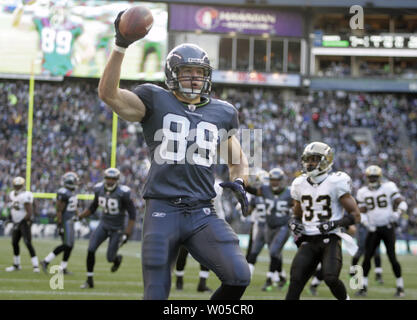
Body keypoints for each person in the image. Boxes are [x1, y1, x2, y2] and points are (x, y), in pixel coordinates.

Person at [97, 12, 251, 300]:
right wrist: (120, 46)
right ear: (172, 74)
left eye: (200, 73)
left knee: (239, 276)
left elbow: (238, 160)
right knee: (156, 291)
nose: (194, 78)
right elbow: (109, 94)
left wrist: (240, 181)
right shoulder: (155, 99)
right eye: (187, 72)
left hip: (202, 211)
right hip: (162, 209)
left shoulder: (224, 112)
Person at [285, 142, 361, 300]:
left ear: (326, 160)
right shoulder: (299, 184)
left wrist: (335, 224)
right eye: (308, 159)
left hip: (330, 238)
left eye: (315, 159)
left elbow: (355, 215)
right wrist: (294, 222)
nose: (310, 163)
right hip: (308, 239)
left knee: (331, 278)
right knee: (295, 282)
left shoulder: (336, 182)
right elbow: (297, 214)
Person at [77, 168, 137, 289]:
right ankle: (89, 280)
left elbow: (132, 214)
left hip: (117, 228)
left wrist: (128, 232)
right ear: (105, 178)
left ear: (117, 180)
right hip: (104, 224)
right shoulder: (98, 189)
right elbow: (93, 207)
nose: (110, 181)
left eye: (113, 179)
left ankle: (116, 259)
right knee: (91, 249)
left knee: (110, 258)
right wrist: (81, 215)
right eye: (108, 178)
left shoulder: (123, 192)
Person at [355, 165, 407, 297]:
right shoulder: (362, 192)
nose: (372, 179)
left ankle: (400, 287)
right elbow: (362, 212)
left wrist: (398, 213)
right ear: (367, 178)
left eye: (375, 177)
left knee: (392, 257)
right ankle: (363, 287)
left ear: (379, 177)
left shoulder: (389, 187)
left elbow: (402, 203)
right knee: (366, 259)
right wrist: (366, 223)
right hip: (373, 229)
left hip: (387, 227)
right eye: (370, 177)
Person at [246, 168, 293, 291]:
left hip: (283, 226)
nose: (274, 183)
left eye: (277, 180)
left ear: (282, 180)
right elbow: (254, 191)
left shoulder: (289, 192)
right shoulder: (265, 190)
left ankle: (269, 279)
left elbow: (299, 207)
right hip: (268, 226)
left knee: (273, 251)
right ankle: (280, 277)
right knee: (272, 253)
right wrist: (242, 185)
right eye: (272, 180)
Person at [41, 172, 79, 275]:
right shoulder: (64, 192)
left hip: (70, 222)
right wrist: (60, 224)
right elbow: (59, 210)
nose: (76, 183)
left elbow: (74, 207)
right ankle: (46, 261)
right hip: (65, 222)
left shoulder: (71, 192)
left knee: (70, 245)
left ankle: (62, 267)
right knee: (67, 245)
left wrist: (78, 216)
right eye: (74, 181)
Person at [5, 176, 40, 272]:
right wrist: (9, 218)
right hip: (16, 221)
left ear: (22, 185)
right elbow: (13, 208)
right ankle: (16, 265)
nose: (17, 187)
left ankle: (36, 266)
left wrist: (22, 222)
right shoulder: (12, 194)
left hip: (24, 221)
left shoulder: (26, 195)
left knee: (27, 242)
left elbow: (29, 212)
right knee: (14, 242)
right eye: (15, 185)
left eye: (18, 185)